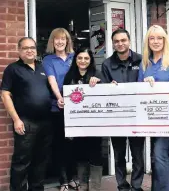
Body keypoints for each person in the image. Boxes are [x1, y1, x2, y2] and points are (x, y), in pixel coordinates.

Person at [138, 25, 169, 191]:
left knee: (159, 154)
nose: (156, 41)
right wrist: (145, 83)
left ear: (165, 40)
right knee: (161, 156)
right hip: (151, 116)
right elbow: (138, 90)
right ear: (148, 42)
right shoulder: (145, 63)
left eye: (159, 38)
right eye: (152, 38)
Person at [0, 37, 52, 191]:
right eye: (25, 48)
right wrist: (16, 119)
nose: (29, 50)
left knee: (41, 161)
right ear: (19, 50)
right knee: (22, 162)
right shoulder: (13, 69)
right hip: (26, 122)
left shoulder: (43, 67)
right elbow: (5, 95)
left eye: (32, 47)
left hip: (46, 122)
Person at [102, 29, 144, 191]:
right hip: (117, 116)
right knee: (119, 154)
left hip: (137, 115)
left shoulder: (141, 60)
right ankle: (122, 185)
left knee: (137, 153)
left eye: (123, 40)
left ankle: (137, 186)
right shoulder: (107, 64)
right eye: (117, 41)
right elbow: (103, 91)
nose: (120, 43)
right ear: (113, 43)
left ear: (129, 41)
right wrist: (107, 88)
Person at [59, 47, 104, 191]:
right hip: (77, 124)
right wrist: (62, 101)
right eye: (80, 58)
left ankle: (95, 187)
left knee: (95, 154)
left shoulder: (97, 74)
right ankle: (83, 186)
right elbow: (64, 95)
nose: (83, 61)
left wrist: (99, 83)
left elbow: (107, 95)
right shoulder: (69, 75)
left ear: (90, 61)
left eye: (86, 58)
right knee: (80, 154)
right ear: (76, 59)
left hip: (95, 124)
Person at [42, 28, 77, 191]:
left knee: (73, 144)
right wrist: (58, 97)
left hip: (76, 107)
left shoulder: (74, 57)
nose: (60, 42)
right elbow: (52, 80)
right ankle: (63, 180)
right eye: (57, 39)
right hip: (58, 107)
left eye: (63, 39)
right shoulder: (48, 60)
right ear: (52, 41)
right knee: (59, 145)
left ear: (67, 41)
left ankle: (72, 177)